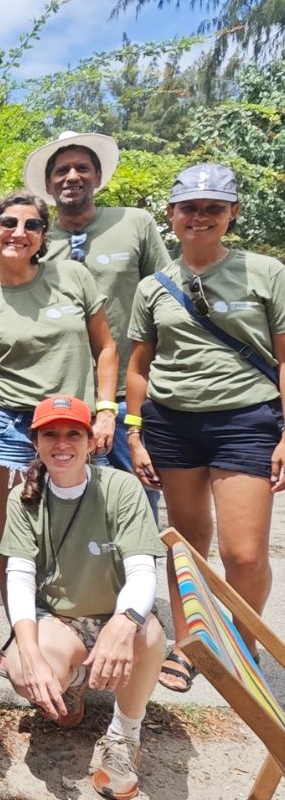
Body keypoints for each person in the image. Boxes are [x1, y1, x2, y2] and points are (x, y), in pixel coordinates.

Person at [127, 164, 285, 687]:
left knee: (243, 551)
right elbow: (138, 366)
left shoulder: (266, 273)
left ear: (232, 213)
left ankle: (242, 641)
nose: (200, 217)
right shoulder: (154, 286)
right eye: (189, 208)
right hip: (171, 422)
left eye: (213, 207)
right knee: (186, 544)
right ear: (171, 215)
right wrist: (134, 432)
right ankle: (190, 643)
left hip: (246, 420)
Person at [0, 193, 118, 584]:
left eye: (31, 225)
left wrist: (106, 411)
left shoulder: (73, 276)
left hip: (74, 424)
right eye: (8, 223)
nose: (19, 232)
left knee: (82, 533)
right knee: (16, 540)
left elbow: (105, 347)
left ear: (42, 236)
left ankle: (76, 625)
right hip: (8, 427)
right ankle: (23, 635)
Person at [0, 395, 167, 800]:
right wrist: (29, 650)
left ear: (91, 441)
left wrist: (125, 621)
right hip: (60, 619)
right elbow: (19, 577)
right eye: (50, 434)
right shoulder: (24, 498)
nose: (62, 444)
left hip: (114, 612)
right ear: (34, 441)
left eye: (73, 433)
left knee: (149, 636)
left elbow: (143, 569)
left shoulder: (122, 488)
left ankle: (124, 734)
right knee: (25, 672)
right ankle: (76, 683)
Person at [28, 131, 168, 491]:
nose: (71, 176)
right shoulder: (34, 237)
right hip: (59, 396)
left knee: (135, 500)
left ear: (98, 176)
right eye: (61, 170)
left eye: (81, 168)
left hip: (127, 393)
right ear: (48, 183)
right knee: (56, 504)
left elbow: (165, 298)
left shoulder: (135, 223)